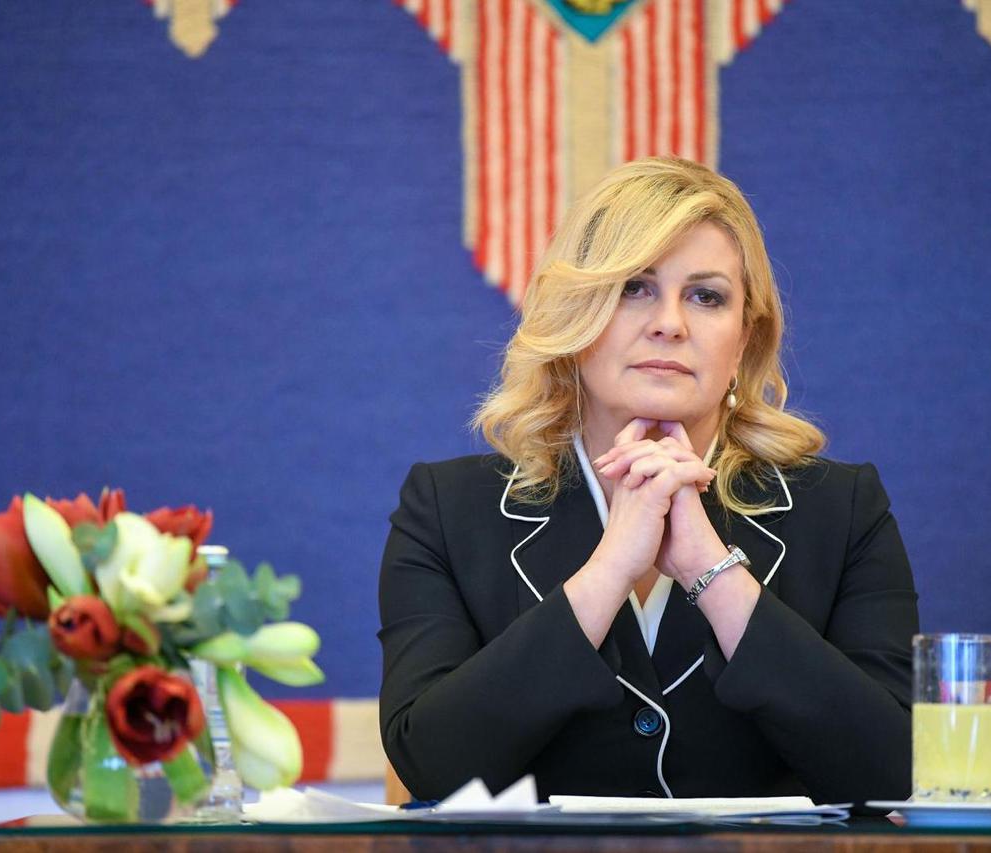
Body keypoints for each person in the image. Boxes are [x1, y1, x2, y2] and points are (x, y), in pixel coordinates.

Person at [378, 157, 919, 805]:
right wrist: (608, 570)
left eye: (706, 296)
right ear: (575, 316)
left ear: (745, 341)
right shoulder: (446, 508)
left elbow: (893, 775)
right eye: (635, 287)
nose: (669, 322)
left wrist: (710, 570)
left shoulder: (843, 509)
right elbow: (430, 768)